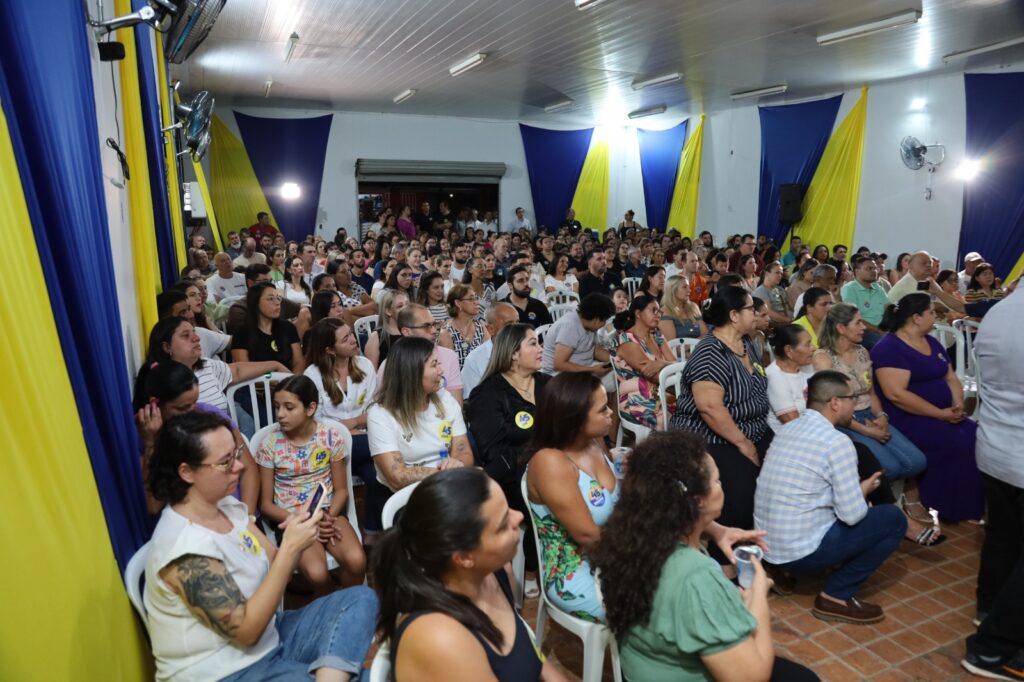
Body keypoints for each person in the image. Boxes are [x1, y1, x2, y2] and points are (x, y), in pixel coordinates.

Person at [144, 411, 376, 681]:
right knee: (368, 676)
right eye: (225, 462)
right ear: (186, 472)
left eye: (236, 455)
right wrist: (291, 549)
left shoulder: (227, 507)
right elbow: (245, 631)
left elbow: (277, 565)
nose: (239, 467)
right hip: (227, 671)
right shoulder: (183, 549)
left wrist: (300, 533)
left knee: (360, 599)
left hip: (271, 636)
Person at [593, 431, 817, 682]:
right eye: (718, 481)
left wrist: (718, 531)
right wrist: (758, 598)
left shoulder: (630, 540)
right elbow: (751, 678)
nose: (722, 487)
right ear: (697, 501)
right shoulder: (696, 578)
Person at [372, 469, 561, 682]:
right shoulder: (439, 636)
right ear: (464, 558)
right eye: (502, 525)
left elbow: (532, 657)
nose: (518, 517)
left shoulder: (492, 574)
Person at [755, 371, 907, 624]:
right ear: (835, 402)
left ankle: (779, 569)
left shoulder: (787, 429)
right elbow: (852, 514)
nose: (855, 407)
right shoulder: (837, 442)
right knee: (893, 519)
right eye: (852, 399)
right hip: (799, 552)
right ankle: (836, 596)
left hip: (768, 545)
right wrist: (864, 490)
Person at [871, 293, 984, 521]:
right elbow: (897, 395)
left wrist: (957, 405)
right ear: (916, 317)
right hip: (907, 417)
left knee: (976, 435)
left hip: (943, 413)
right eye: (932, 312)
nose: (936, 316)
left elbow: (950, 377)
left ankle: (972, 504)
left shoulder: (931, 341)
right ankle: (947, 504)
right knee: (956, 442)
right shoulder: (889, 348)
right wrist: (939, 414)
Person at [669, 287, 771, 540]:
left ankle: (772, 541)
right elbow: (710, 408)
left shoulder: (746, 342)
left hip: (752, 426)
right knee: (743, 489)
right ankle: (726, 556)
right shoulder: (710, 353)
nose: (756, 313)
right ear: (734, 315)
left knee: (784, 470)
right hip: (710, 434)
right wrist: (743, 443)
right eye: (750, 309)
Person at [962, 287, 1024, 679]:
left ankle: (989, 610)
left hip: (995, 447)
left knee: (1003, 538)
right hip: (1019, 452)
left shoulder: (1001, 313)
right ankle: (994, 649)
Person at [256, 376, 366, 592]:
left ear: (310, 408)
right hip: (293, 519)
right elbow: (266, 505)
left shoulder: (330, 437)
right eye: (277, 407)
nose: (280, 414)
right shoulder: (269, 444)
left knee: (357, 560)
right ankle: (331, 604)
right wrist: (303, 520)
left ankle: (346, 602)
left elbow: (342, 491)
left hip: (328, 513)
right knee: (317, 573)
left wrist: (326, 517)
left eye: (289, 407)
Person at [524, 372, 618, 622]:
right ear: (575, 418)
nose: (611, 413)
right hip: (576, 572)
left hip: (613, 555)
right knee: (666, 603)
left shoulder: (594, 442)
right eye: (603, 409)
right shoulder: (550, 462)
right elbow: (587, 535)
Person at [466, 324, 550, 600]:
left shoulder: (547, 384)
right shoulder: (488, 395)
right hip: (510, 473)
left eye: (539, 343)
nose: (540, 349)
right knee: (550, 502)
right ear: (514, 354)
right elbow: (495, 453)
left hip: (550, 465)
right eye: (533, 344)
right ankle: (532, 569)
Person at [812, 304, 931, 491]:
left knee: (917, 462)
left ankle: (893, 495)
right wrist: (867, 432)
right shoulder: (824, 358)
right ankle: (868, 495)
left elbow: (871, 393)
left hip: (869, 414)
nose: (864, 327)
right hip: (843, 422)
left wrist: (882, 416)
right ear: (841, 328)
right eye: (858, 322)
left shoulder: (862, 352)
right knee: (890, 468)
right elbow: (833, 409)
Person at [367, 336, 473, 517]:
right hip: (405, 498)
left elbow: (464, 452)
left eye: (439, 363)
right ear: (411, 372)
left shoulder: (445, 400)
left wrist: (458, 462)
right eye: (434, 365)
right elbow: (397, 477)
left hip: (447, 487)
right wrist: (444, 473)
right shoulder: (381, 414)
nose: (441, 371)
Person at [303, 318, 384, 534]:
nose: (353, 341)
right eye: (345, 338)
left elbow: (376, 408)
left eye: (351, 334)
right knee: (384, 452)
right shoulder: (313, 374)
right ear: (329, 349)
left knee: (376, 475)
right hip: (330, 446)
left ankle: (371, 534)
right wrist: (346, 430)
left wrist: (355, 422)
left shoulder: (364, 365)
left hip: (363, 441)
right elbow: (314, 421)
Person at [611, 294, 675, 430]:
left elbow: (675, 367)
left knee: (696, 409)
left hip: (663, 393)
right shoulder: (626, 341)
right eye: (653, 310)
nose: (658, 315)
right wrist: (669, 365)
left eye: (659, 311)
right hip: (637, 400)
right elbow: (654, 375)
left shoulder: (657, 336)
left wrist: (662, 364)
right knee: (679, 419)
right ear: (638, 314)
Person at [231, 282, 304, 374]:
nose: (277, 303)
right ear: (255, 302)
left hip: (288, 383)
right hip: (255, 385)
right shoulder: (241, 332)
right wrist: (272, 381)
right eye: (271, 299)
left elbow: (299, 362)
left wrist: (290, 383)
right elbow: (243, 370)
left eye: (278, 298)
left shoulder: (288, 327)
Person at [541, 293, 615, 378]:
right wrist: (592, 370)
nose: (604, 324)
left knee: (620, 373)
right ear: (596, 319)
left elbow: (594, 350)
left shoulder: (589, 325)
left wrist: (615, 360)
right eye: (604, 320)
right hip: (559, 376)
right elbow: (559, 364)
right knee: (618, 381)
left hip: (584, 369)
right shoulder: (570, 326)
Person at [764, 324, 815, 434]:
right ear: (789, 350)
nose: (814, 348)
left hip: (813, 428)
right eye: (808, 344)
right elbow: (794, 424)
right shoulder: (775, 378)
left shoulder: (806, 365)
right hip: (794, 437)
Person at [888, 250, 965, 315]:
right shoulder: (906, 284)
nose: (928, 265)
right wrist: (937, 307)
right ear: (910, 266)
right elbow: (919, 309)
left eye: (930, 263)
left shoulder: (928, 281)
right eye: (924, 263)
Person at [840, 255, 888, 348]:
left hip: (882, 328)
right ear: (857, 271)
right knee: (884, 346)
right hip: (864, 330)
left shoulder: (877, 287)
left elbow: (888, 307)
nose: (874, 271)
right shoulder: (849, 289)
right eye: (869, 268)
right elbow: (853, 318)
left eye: (875, 268)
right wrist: (878, 330)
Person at [439, 283, 490, 369]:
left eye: (476, 298)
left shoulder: (480, 327)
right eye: (471, 299)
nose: (477, 302)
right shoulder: (447, 333)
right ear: (458, 303)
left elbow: (490, 356)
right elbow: (447, 369)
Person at [364, 289, 408, 369]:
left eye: (407, 305)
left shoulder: (413, 332)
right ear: (388, 311)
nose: (406, 309)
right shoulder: (376, 337)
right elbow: (372, 373)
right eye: (400, 306)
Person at [659, 275, 706, 340]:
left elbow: (705, 334)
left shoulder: (693, 307)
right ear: (673, 290)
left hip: (699, 348)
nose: (689, 290)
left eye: (689, 287)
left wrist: (695, 345)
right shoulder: (665, 311)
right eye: (684, 287)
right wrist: (693, 345)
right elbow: (671, 344)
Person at [753, 261, 793, 328]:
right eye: (777, 273)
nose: (780, 275)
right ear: (767, 274)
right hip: (777, 326)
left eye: (781, 273)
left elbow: (790, 306)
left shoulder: (780, 289)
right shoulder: (760, 291)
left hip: (790, 322)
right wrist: (789, 321)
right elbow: (769, 312)